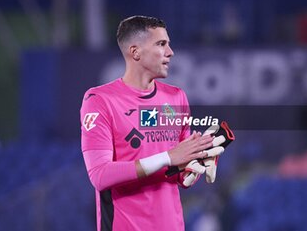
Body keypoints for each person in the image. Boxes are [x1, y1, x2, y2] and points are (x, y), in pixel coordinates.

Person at [80, 15, 214, 231]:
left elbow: (180, 175)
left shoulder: (177, 97)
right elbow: (100, 175)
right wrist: (168, 157)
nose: (170, 52)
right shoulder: (99, 100)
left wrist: (198, 161)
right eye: (161, 44)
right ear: (135, 52)